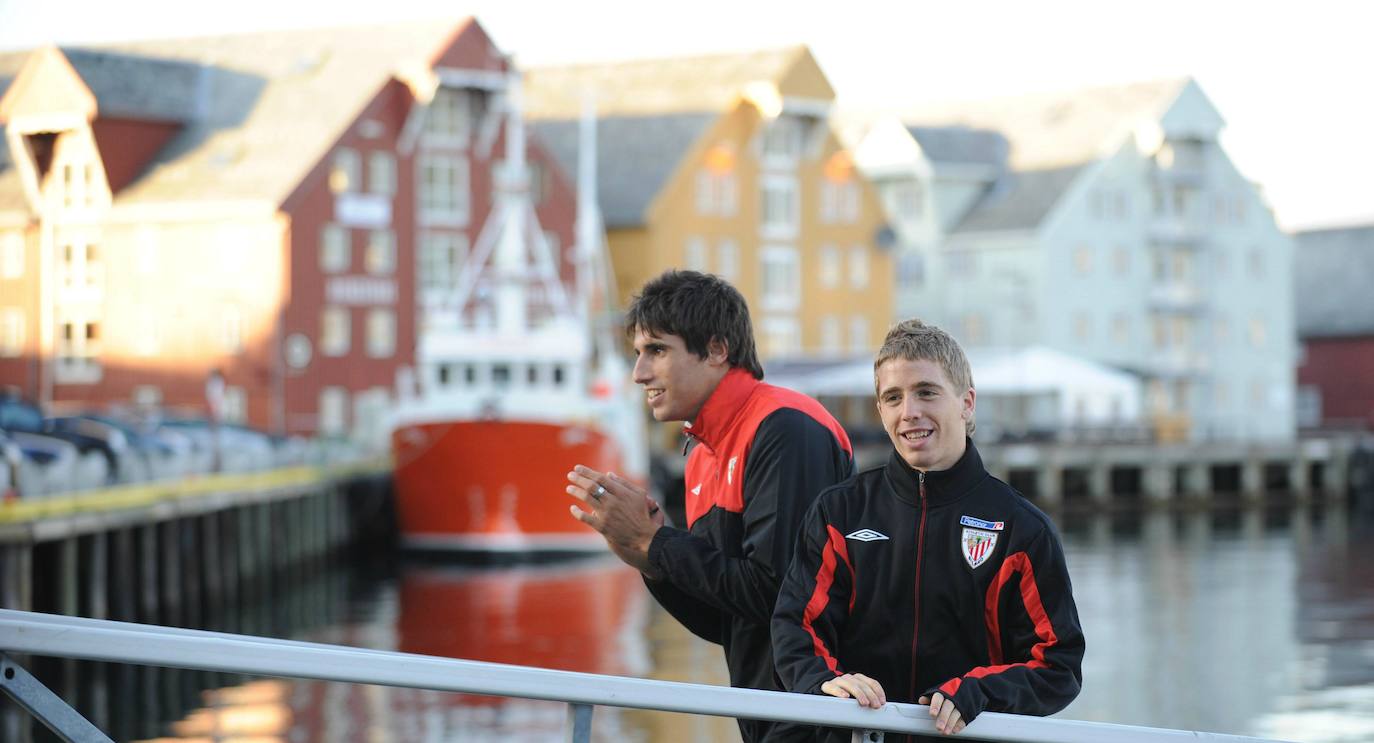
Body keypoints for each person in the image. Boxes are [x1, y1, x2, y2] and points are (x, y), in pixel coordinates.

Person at [566, 270, 854, 742]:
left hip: (820, 716)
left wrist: (657, 542)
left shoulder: (787, 427)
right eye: (638, 354)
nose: (639, 373)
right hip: (768, 715)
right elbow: (726, 620)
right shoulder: (702, 453)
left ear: (718, 350)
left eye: (657, 350)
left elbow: (780, 597)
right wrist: (647, 559)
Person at [772, 319, 1084, 740]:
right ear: (880, 410)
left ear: (967, 403)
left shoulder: (1022, 531)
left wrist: (979, 692)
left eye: (926, 392)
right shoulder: (839, 513)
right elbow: (797, 624)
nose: (909, 412)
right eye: (893, 397)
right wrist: (822, 681)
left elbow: (1057, 666)